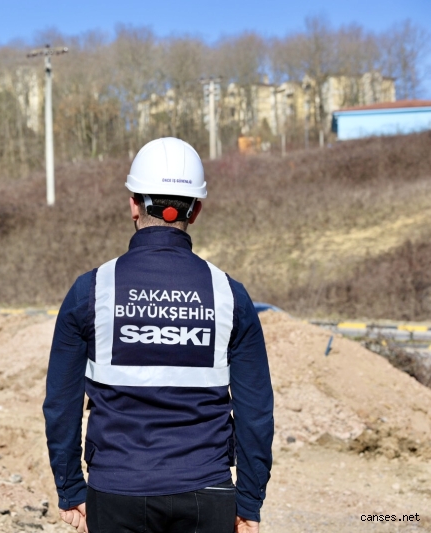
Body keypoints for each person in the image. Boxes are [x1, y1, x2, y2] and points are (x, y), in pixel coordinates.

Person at [43, 137, 274, 533]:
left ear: (133, 205)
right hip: (207, 491)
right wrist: (249, 500)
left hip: (116, 491)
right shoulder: (229, 295)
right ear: (196, 210)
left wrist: (70, 488)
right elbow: (256, 411)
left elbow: (60, 404)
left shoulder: (91, 291)